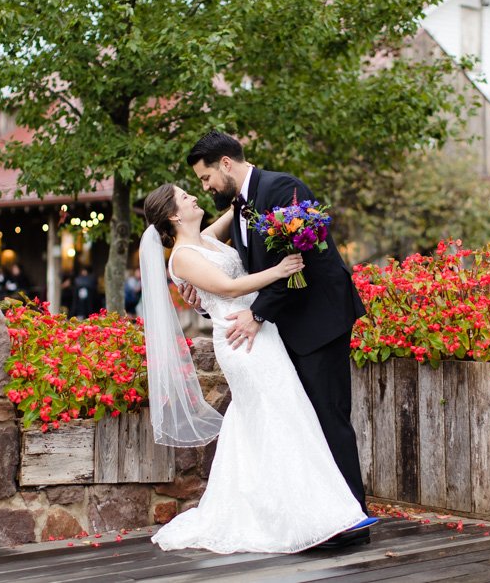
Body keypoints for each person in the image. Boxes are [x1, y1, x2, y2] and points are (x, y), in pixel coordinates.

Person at [141, 183, 372, 553]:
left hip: (262, 333)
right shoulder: (181, 257)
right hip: (239, 339)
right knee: (281, 415)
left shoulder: (204, 238)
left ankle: (309, 508)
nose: (195, 196)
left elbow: (234, 212)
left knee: (282, 416)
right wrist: (280, 270)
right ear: (172, 214)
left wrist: (249, 193)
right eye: (186, 196)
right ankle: (299, 516)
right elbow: (229, 288)